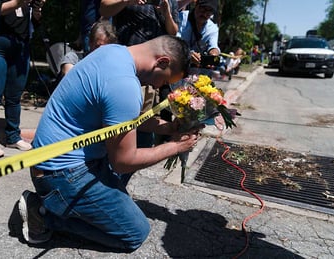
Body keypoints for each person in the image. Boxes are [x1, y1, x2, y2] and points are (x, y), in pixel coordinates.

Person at [18, 35, 199, 251]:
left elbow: (121, 119)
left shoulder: (113, 52)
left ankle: (85, 205)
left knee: (117, 198)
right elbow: (123, 161)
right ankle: (43, 214)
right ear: (162, 62)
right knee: (134, 233)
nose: (159, 86)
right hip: (61, 175)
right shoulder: (125, 86)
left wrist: (168, 127)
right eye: (165, 81)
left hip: (51, 163)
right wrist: (175, 147)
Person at [100, 0, 180, 146]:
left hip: (152, 74)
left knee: (142, 122)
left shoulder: (171, 1)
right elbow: (104, 9)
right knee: (118, 120)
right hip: (125, 69)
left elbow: (174, 32)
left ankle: (133, 158)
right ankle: (114, 157)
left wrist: (166, 12)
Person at [0, 0, 45, 158]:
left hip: (20, 46)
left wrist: (37, 10)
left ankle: (13, 136)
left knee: (15, 96)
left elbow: (33, 22)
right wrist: (19, 2)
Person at [177, 0, 220, 67]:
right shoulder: (181, 18)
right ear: (196, 5)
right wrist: (188, 54)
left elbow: (213, 46)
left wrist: (214, 54)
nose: (205, 14)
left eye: (209, 11)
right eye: (203, 9)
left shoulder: (213, 28)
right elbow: (174, 42)